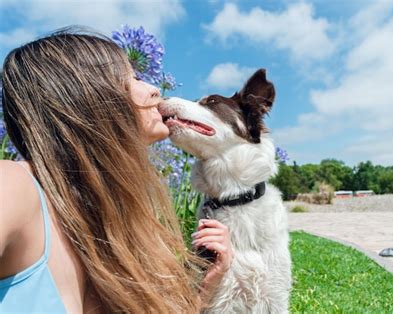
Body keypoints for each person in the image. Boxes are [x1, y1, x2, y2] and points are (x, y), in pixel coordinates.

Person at [0, 30, 233, 313]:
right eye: (131, 77)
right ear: (84, 93)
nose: (154, 89)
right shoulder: (13, 184)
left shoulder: (116, 221)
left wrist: (208, 284)